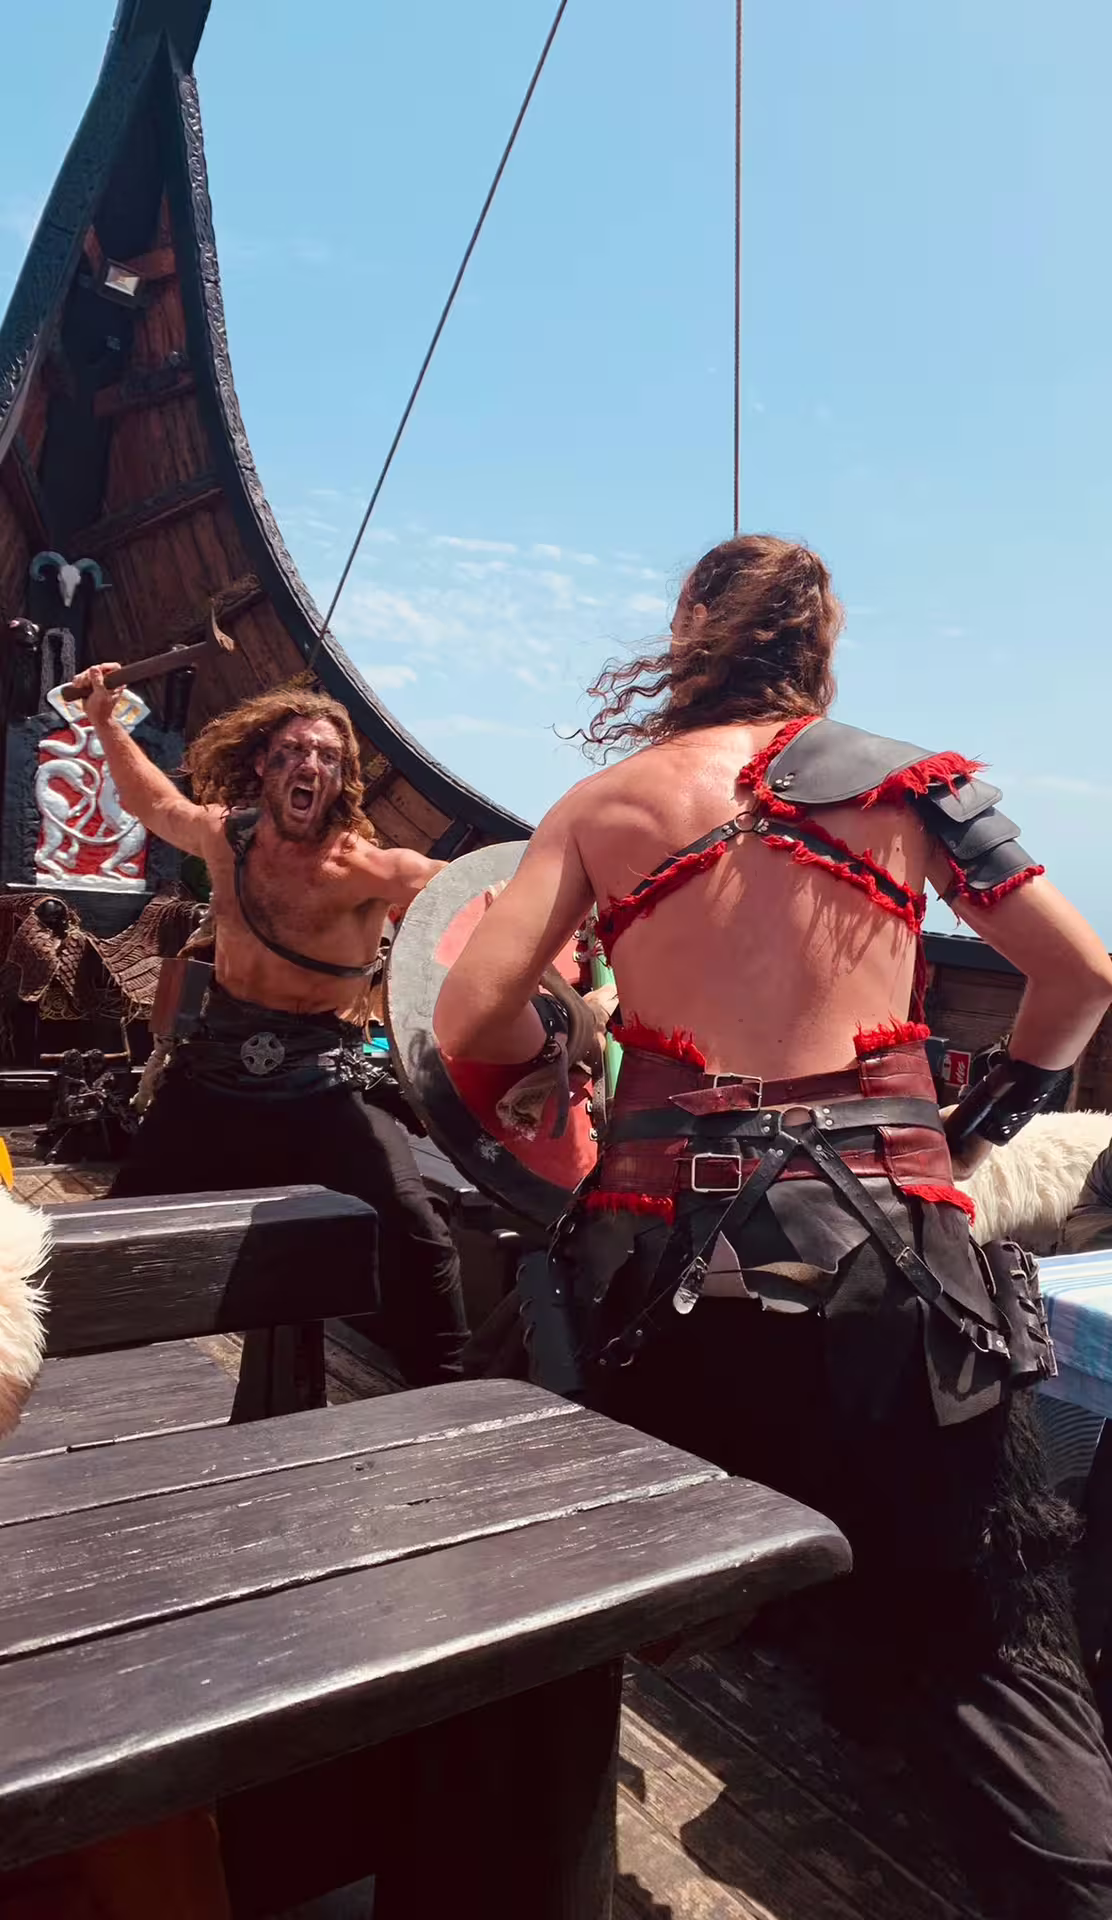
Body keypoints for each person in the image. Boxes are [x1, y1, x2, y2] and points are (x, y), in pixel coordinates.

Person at [436, 534, 1112, 1919]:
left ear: (690, 629)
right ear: (822, 643)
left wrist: (564, 1042)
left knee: (573, 1614)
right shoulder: (914, 784)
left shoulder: (605, 802)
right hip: (896, 1268)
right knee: (989, 1654)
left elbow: (467, 1017)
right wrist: (978, 1126)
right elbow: (1083, 973)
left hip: (663, 1279)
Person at [71, 666, 467, 1388]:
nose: (308, 764)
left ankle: (448, 1387)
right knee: (114, 1234)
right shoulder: (229, 840)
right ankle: (86, 1381)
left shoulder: (365, 867)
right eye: (291, 751)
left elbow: (465, 899)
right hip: (211, 1075)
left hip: (320, 1083)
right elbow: (150, 800)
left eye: (326, 756)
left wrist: (537, 903)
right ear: (263, 764)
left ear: (342, 777)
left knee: (416, 1231)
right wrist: (103, 718)